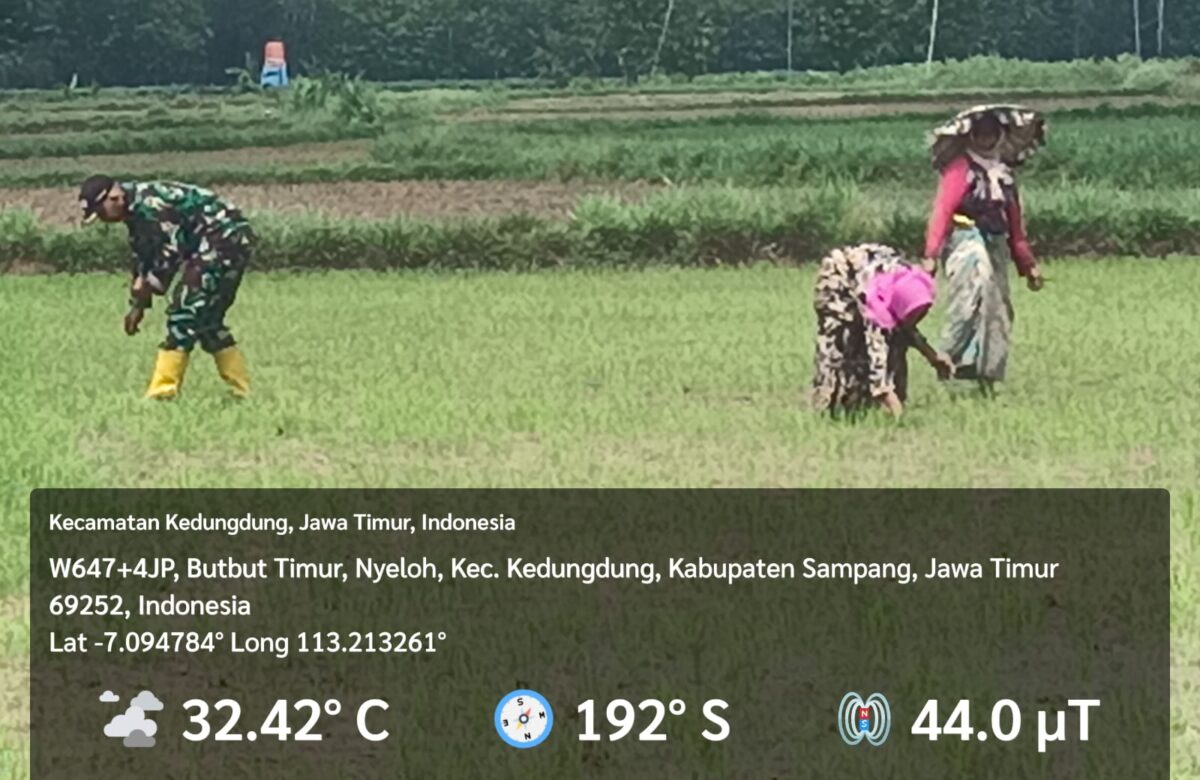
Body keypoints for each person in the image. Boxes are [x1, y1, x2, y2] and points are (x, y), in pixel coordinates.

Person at [79, 177, 254, 399]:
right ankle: (242, 391)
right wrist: (137, 306)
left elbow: (170, 251)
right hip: (218, 243)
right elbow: (144, 258)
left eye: (101, 212)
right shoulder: (136, 213)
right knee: (207, 321)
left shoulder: (151, 205)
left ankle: (163, 391)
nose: (104, 219)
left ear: (114, 198)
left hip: (223, 239)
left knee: (185, 310)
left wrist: (151, 283)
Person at [923, 105, 1046, 391]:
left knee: (998, 307)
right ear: (972, 135)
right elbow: (942, 210)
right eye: (982, 132)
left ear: (1000, 134)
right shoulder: (960, 168)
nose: (987, 138)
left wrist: (1028, 265)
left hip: (996, 241)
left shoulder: (1004, 174)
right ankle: (951, 359)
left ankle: (985, 374)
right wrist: (930, 255)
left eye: (993, 132)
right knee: (974, 290)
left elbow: (1015, 226)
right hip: (965, 237)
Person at [812, 243, 953, 418]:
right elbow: (876, 350)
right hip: (838, 284)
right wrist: (890, 401)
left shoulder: (905, 283)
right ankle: (828, 405)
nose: (919, 318)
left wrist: (932, 356)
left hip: (866, 274)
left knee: (896, 338)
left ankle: (874, 397)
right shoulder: (876, 301)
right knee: (840, 346)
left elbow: (904, 326)